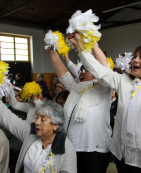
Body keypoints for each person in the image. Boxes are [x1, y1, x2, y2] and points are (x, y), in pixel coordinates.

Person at [70, 32, 141, 173]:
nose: (135, 61)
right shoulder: (123, 81)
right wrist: (80, 46)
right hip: (122, 158)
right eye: (134, 57)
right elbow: (98, 70)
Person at [46, 43, 112, 173]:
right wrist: (53, 53)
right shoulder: (76, 89)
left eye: (86, 70)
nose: (81, 72)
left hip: (95, 152)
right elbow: (63, 73)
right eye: (81, 69)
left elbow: (105, 68)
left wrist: (91, 42)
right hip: (71, 147)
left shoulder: (103, 89)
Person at [0, 96, 77, 173]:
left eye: (42, 119)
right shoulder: (31, 134)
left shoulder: (66, 148)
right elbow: (9, 119)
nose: (37, 122)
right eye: (37, 118)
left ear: (55, 125)